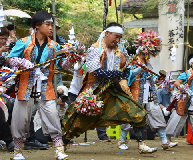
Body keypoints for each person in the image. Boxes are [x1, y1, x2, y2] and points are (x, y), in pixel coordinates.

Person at [62, 22, 156, 154]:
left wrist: (134, 70)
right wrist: (116, 73)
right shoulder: (94, 49)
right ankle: (64, 142)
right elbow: (95, 72)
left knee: (136, 110)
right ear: (107, 33)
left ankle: (141, 144)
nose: (117, 40)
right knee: (80, 120)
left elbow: (126, 69)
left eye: (119, 37)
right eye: (116, 36)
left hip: (114, 90)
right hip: (95, 91)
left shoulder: (120, 50)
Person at [7, 11, 71, 160]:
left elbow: (63, 66)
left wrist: (69, 59)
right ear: (37, 25)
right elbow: (10, 59)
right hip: (25, 87)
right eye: (47, 24)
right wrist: (21, 61)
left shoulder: (55, 46)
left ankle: (59, 150)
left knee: (53, 117)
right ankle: (17, 151)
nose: (51, 28)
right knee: (20, 118)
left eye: (52, 25)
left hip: (46, 88)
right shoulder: (23, 42)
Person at [119, 55, 177, 151]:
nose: (149, 55)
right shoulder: (133, 60)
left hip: (150, 96)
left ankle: (164, 141)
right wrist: (140, 70)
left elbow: (152, 79)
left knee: (158, 116)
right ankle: (122, 141)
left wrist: (157, 80)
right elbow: (130, 75)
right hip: (136, 96)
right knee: (130, 118)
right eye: (148, 52)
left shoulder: (148, 64)